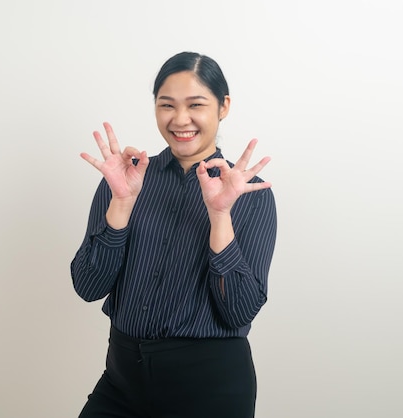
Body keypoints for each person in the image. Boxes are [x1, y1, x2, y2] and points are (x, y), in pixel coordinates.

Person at [71, 51, 277, 418]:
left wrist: (220, 215)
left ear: (223, 106)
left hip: (210, 390)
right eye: (167, 105)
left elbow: (240, 311)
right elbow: (88, 286)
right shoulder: (126, 180)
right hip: (122, 381)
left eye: (196, 104)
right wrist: (121, 203)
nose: (180, 119)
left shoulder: (251, 195)